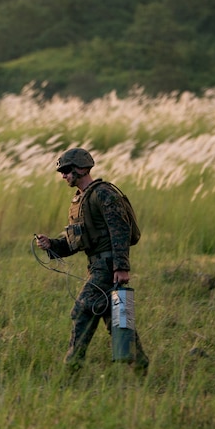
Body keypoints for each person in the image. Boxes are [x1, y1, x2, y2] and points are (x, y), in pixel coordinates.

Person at [34, 148, 149, 372]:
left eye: (66, 170)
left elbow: (121, 230)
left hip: (106, 267)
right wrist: (52, 245)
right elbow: (76, 242)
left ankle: (72, 367)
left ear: (82, 168)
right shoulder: (80, 200)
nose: (63, 175)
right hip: (96, 265)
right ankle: (140, 363)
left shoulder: (103, 193)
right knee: (112, 316)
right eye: (61, 171)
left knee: (83, 310)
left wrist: (121, 267)